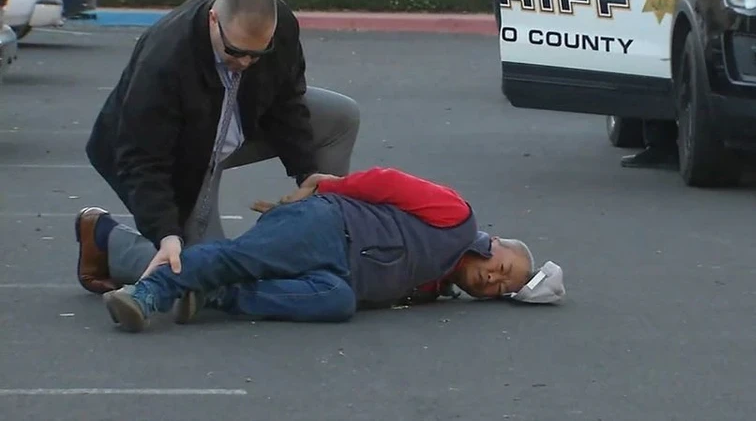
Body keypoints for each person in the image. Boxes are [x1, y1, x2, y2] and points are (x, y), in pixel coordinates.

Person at [76, 0, 361, 295]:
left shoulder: (279, 29)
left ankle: (324, 235)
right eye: (235, 51)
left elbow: (287, 101)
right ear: (214, 19)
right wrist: (166, 232)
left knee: (341, 116)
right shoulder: (165, 59)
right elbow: (143, 159)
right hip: (169, 155)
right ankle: (106, 238)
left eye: (257, 54)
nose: (245, 62)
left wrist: (306, 171)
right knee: (207, 273)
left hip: (232, 124)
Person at [94, 166, 566, 332]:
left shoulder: (434, 286)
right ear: (494, 244)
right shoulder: (458, 217)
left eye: (502, 286)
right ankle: (147, 294)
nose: (494, 279)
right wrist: (320, 189)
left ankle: (214, 296)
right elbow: (386, 182)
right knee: (236, 257)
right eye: (502, 267)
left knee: (338, 304)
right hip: (327, 224)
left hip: (336, 277)